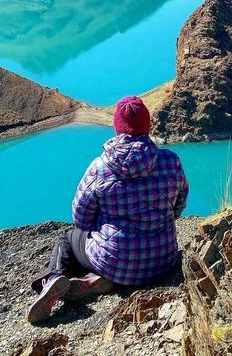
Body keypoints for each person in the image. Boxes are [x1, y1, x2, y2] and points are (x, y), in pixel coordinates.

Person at [27, 95, 189, 324]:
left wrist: (102, 226)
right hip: (163, 262)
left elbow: (80, 219)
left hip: (116, 265)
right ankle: (98, 279)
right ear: (147, 125)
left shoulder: (100, 168)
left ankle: (54, 278)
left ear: (117, 127)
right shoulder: (171, 161)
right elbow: (179, 206)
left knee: (68, 238)